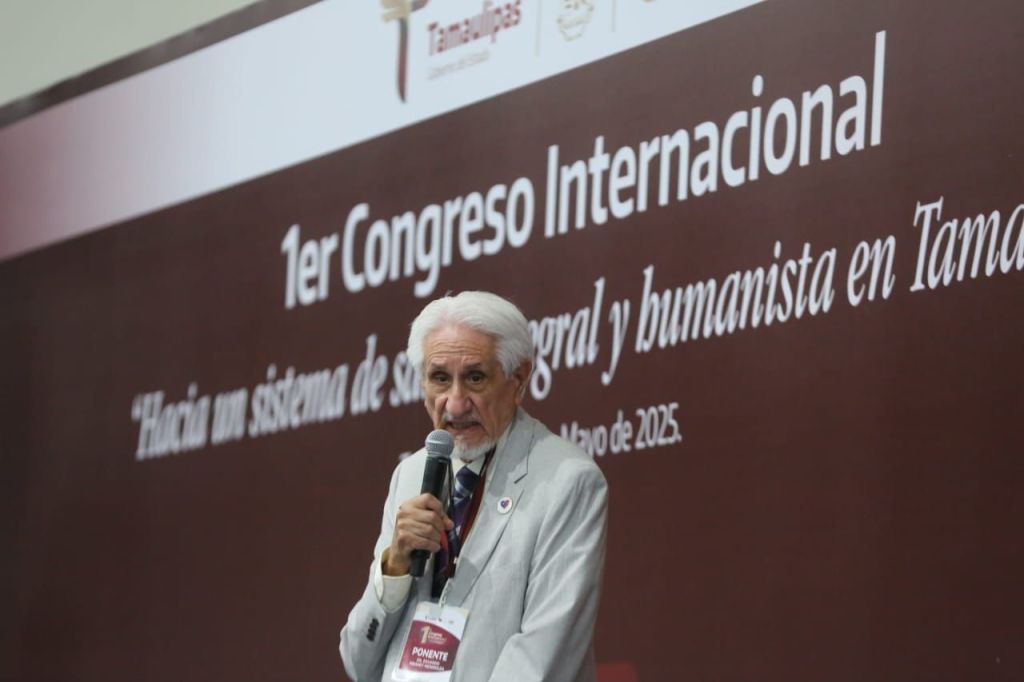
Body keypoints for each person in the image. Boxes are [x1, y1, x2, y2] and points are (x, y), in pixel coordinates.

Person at [340, 291, 608, 682]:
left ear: (518, 380)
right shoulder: (410, 475)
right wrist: (395, 566)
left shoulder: (567, 481)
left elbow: (542, 660)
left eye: (475, 378)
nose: (455, 404)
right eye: (440, 379)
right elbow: (358, 660)